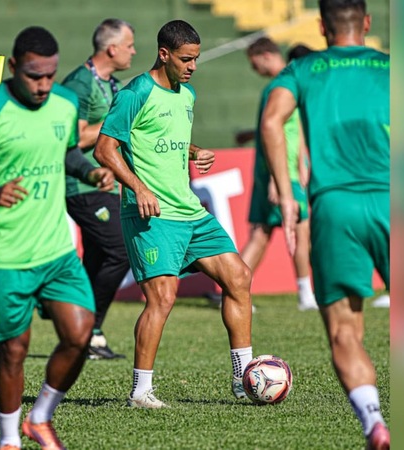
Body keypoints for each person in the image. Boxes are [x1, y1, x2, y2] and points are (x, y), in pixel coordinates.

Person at [0, 26, 114, 450]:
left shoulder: (64, 103)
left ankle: (39, 418)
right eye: (34, 76)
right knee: (14, 352)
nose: (43, 85)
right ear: (16, 65)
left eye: (50, 75)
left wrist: (88, 170)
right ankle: (9, 439)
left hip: (56, 249)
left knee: (79, 337)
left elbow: (68, 153)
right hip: (7, 254)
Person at [93, 19, 255, 409]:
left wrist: (194, 151)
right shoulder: (136, 92)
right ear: (163, 54)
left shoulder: (187, 95)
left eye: (196, 59)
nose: (192, 66)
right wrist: (139, 188)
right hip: (151, 215)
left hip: (189, 212)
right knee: (162, 298)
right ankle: (140, 392)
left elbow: (164, 139)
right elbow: (105, 149)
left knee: (239, 276)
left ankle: (243, 378)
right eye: (186, 59)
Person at [260, 1, 390, 448]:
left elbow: (271, 120)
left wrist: (288, 194)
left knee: (344, 330)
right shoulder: (391, 67)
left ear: (321, 27)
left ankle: (374, 419)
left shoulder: (304, 70)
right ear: (367, 24)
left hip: (335, 206)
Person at [206, 38, 318, 312]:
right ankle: (306, 295)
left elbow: (285, 128)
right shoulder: (284, 86)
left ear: (266, 55)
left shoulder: (279, 86)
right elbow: (277, 131)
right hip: (280, 172)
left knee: (262, 234)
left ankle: (231, 290)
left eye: (253, 62)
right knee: (298, 233)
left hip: (275, 170)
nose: (254, 69)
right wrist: (276, 177)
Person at [61, 18, 136, 360]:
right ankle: (87, 325)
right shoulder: (79, 84)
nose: (134, 51)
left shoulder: (114, 84)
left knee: (98, 256)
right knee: (120, 250)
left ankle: (83, 331)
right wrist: (112, 124)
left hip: (107, 185)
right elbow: (71, 139)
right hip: (81, 183)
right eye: (130, 45)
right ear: (112, 48)